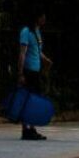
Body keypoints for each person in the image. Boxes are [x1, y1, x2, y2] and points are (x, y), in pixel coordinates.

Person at [17, 10, 51, 141]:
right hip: (28, 70)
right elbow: (22, 53)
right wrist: (20, 73)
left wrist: (46, 60)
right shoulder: (26, 31)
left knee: (34, 100)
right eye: (42, 16)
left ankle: (31, 128)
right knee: (27, 100)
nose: (44, 19)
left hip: (36, 71)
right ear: (37, 17)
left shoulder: (37, 32)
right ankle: (26, 129)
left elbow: (37, 51)